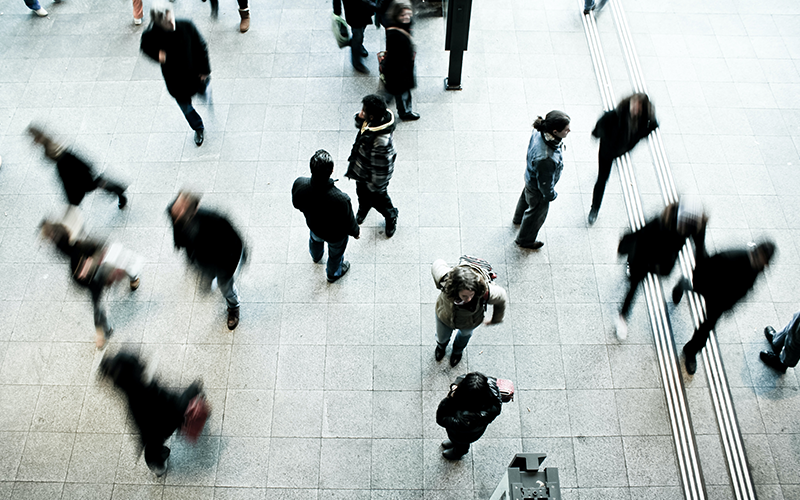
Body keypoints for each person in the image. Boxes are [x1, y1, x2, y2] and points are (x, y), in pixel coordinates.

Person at [675, 241, 775, 375]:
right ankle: (684, 285)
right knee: (696, 291)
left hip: (720, 302)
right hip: (710, 287)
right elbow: (709, 264)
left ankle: (691, 351)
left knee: (707, 327)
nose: (763, 264)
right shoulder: (733, 256)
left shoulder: (757, 269)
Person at [40, 220, 143, 348]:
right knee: (98, 301)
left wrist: (90, 264)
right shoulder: (74, 249)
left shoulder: (81, 247)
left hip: (96, 271)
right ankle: (133, 278)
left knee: (98, 301)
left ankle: (104, 330)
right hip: (93, 276)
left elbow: (100, 249)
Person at [100, 351, 204, 476]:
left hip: (158, 429)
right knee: (184, 401)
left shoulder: (133, 397)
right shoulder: (144, 383)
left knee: (152, 452)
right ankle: (196, 391)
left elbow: (142, 424)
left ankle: (158, 467)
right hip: (171, 413)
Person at [616, 199, 706, 340]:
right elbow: (640, 236)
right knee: (634, 285)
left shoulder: (694, 227)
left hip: (663, 264)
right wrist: (625, 249)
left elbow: (700, 250)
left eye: (688, 226)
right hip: (644, 258)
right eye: (684, 224)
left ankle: (680, 286)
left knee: (645, 278)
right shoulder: (660, 223)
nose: (685, 229)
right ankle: (623, 316)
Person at [168, 191, 245, 330]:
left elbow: (235, 240)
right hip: (201, 261)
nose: (175, 210)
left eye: (181, 208)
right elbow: (178, 232)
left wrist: (232, 265)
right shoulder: (173, 213)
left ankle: (233, 307)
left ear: (194, 209)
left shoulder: (214, 219)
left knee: (226, 286)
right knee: (206, 280)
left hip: (221, 263)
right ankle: (209, 280)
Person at [141, 4, 211, 146]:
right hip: (176, 81)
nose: (171, 22)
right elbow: (145, 47)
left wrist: (205, 70)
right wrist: (158, 56)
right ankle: (198, 127)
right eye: (167, 21)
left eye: (171, 17)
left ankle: (203, 92)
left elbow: (201, 46)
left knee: (201, 90)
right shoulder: (152, 35)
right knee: (186, 108)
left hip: (194, 74)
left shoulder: (186, 26)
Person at [292, 150, 361, 283]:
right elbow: (349, 221)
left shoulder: (300, 184)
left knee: (315, 240)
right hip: (335, 236)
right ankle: (333, 273)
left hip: (314, 226)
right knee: (335, 255)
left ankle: (316, 256)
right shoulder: (341, 199)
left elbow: (296, 204)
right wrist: (356, 232)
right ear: (332, 170)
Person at [588, 93, 658, 225]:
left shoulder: (644, 120)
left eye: (639, 108)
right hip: (607, 151)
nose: (636, 109)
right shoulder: (614, 116)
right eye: (635, 105)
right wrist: (598, 134)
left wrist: (638, 138)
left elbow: (653, 125)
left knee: (603, 177)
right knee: (602, 179)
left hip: (622, 150)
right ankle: (595, 208)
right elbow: (599, 127)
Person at [28, 125, 128, 210]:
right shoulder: (48, 143)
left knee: (86, 189)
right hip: (73, 166)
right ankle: (117, 190)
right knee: (91, 185)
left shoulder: (50, 147)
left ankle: (117, 189)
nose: (34, 142)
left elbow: (61, 159)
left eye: (34, 139)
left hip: (69, 168)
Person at [431, 259, 507, 367]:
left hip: (470, 321)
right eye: (464, 296)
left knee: (465, 336)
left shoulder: (484, 290)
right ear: (455, 290)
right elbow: (437, 264)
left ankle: (457, 352)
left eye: (472, 295)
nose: (469, 299)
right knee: (442, 336)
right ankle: (441, 347)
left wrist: (496, 319)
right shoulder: (446, 281)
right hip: (444, 315)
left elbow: (501, 296)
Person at [513, 111, 571, 250]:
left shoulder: (539, 131)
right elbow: (545, 184)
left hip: (530, 177)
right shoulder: (546, 158)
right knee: (536, 214)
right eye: (566, 129)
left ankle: (518, 219)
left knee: (525, 198)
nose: (569, 131)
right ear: (555, 132)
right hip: (539, 188)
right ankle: (525, 240)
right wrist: (551, 195)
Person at [346, 94, 400, 237]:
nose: (361, 112)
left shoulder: (382, 141)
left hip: (374, 180)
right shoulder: (373, 122)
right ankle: (364, 206)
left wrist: (374, 187)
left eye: (364, 111)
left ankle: (391, 215)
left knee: (380, 201)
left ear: (371, 116)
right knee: (361, 193)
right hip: (362, 171)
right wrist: (360, 118)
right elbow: (362, 127)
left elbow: (383, 169)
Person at [436, 372, 502, 460]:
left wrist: (450, 398)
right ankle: (454, 443)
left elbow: (441, 419)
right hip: (475, 431)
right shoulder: (490, 391)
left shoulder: (465, 419)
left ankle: (457, 453)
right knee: (457, 441)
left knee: (461, 444)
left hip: (463, 435)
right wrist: (456, 384)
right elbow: (465, 378)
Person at [382, 1, 419, 121]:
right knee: (400, 92)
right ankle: (404, 112)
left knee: (393, 91)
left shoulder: (402, 26)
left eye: (408, 14)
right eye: (403, 15)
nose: (406, 17)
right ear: (397, 15)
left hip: (401, 68)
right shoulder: (394, 33)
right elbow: (394, 56)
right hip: (398, 70)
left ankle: (387, 106)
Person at [341, 0, 374, 73]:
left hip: (365, 10)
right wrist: (337, 12)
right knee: (358, 35)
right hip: (354, 12)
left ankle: (358, 46)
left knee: (361, 31)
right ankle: (356, 62)